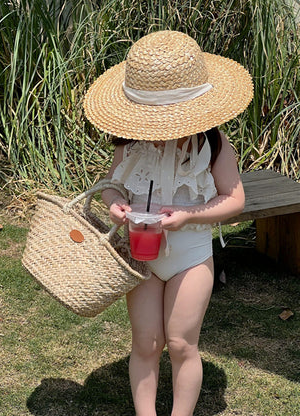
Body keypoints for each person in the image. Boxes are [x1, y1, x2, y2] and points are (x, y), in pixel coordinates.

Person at [83, 31, 253, 416]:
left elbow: (235, 199)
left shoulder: (213, 143)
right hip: (140, 258)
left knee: (180, 343)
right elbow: (112, 188)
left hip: (190, 256)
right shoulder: (130, 142)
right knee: (146, 342)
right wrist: (115, 208)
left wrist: (189, 215)